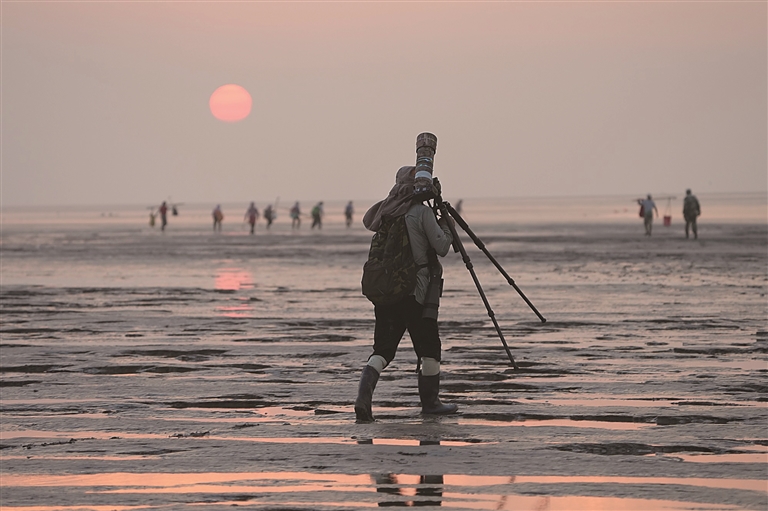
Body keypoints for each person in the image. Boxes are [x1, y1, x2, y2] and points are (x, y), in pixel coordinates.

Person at [354, 165, 458, 423]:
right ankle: (431, 403)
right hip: (415, 292)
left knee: (383, 350)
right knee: (429, 348)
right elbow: (443, 246)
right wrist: (447, 224)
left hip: (386, 291)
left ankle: (363, 398)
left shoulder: (385, 212)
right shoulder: (421, 213)